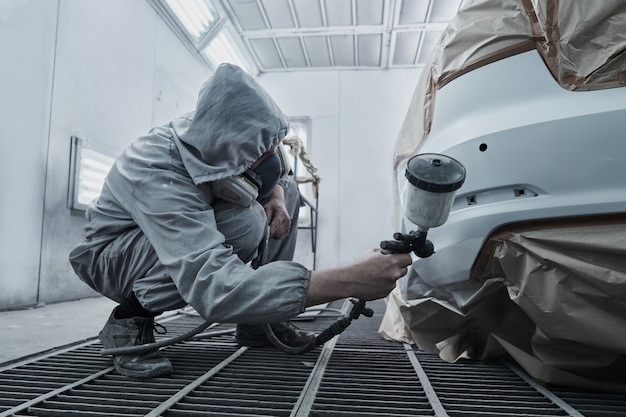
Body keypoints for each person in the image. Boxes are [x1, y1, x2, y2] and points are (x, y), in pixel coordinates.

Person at [69, 63, 412, 379]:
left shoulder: (218, 128)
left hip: (153, 247)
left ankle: (260, 322)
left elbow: (275, 162)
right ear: (230, 145)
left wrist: (276, 194)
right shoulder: (157, 170)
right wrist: (347, 280)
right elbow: (213, 284)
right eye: (257, 153)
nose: (266, 159)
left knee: (286, 190)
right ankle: (128, 320)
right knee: (248, 222)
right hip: (113, 259)